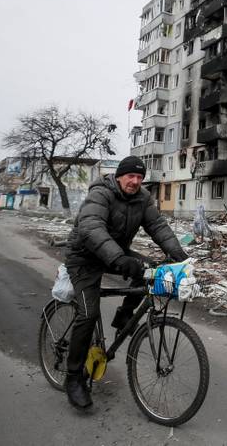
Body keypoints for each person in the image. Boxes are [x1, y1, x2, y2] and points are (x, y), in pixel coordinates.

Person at [62, 155, 188, 410]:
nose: (135, 181)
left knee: (150, 272)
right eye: (130, 176)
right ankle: (73, 378)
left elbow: (158, 226)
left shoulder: (143, 198)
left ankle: (124, 318)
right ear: (119, 176)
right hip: (84, 257)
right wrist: (119, 258)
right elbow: (90, 227)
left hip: (113, 253)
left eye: (140, 177)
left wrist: (180, 257)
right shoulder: (101, 193)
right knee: (88, 314)